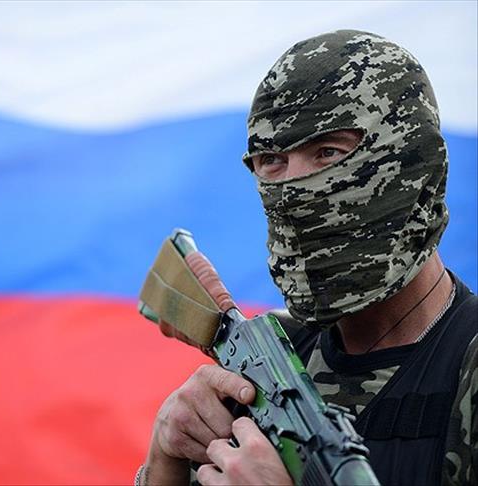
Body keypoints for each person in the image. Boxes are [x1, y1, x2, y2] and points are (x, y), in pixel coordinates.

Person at [138, 30, 477, 486]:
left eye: (328, 152)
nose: (292, 190)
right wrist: (165, 460)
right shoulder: (275, 359)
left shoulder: (465, 362)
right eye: (272, 161)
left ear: (412, 161)